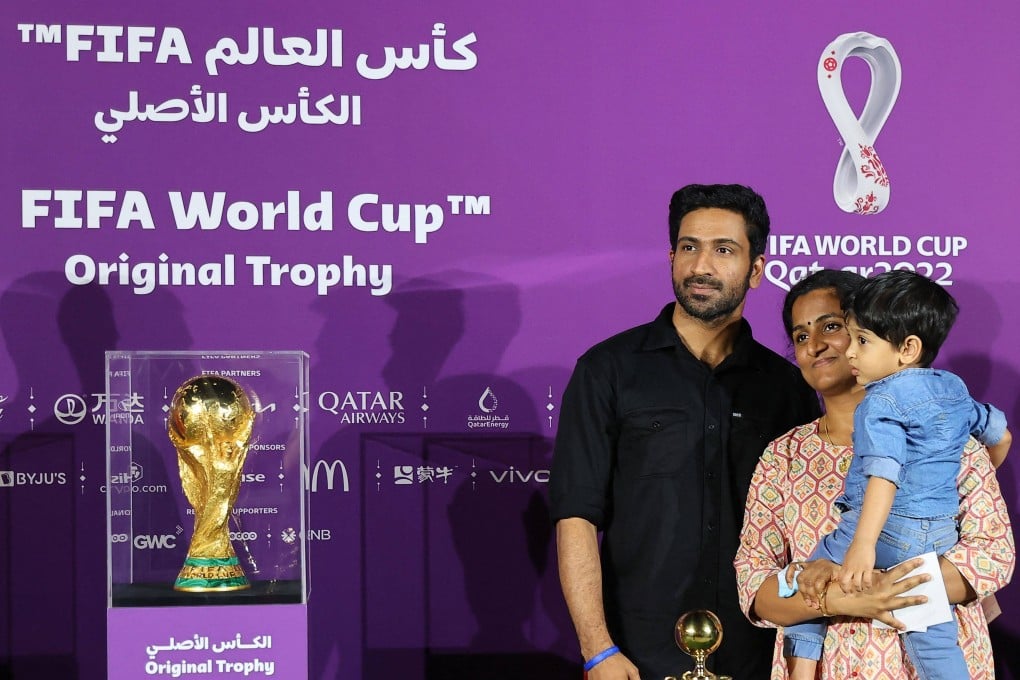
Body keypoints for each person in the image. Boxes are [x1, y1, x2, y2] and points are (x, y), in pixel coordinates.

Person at [550, 184, 821, 679]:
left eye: (724, 250)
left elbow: (805, 532)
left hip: (759, 651)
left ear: (756, 270)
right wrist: (597, 649)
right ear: (671, 257)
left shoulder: (788, 387)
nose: (702, 266)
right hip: (637, 654)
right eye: (689, 247)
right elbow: (576, 517)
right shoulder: (607, 371)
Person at [735, 269, 1015, 680]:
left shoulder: (949, 440)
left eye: (832, 327)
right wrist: (843, 601)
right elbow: (754, 580)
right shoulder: (784, 457)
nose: (814, 345)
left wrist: (871, 590)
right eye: (800, 336)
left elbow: (993, 557)